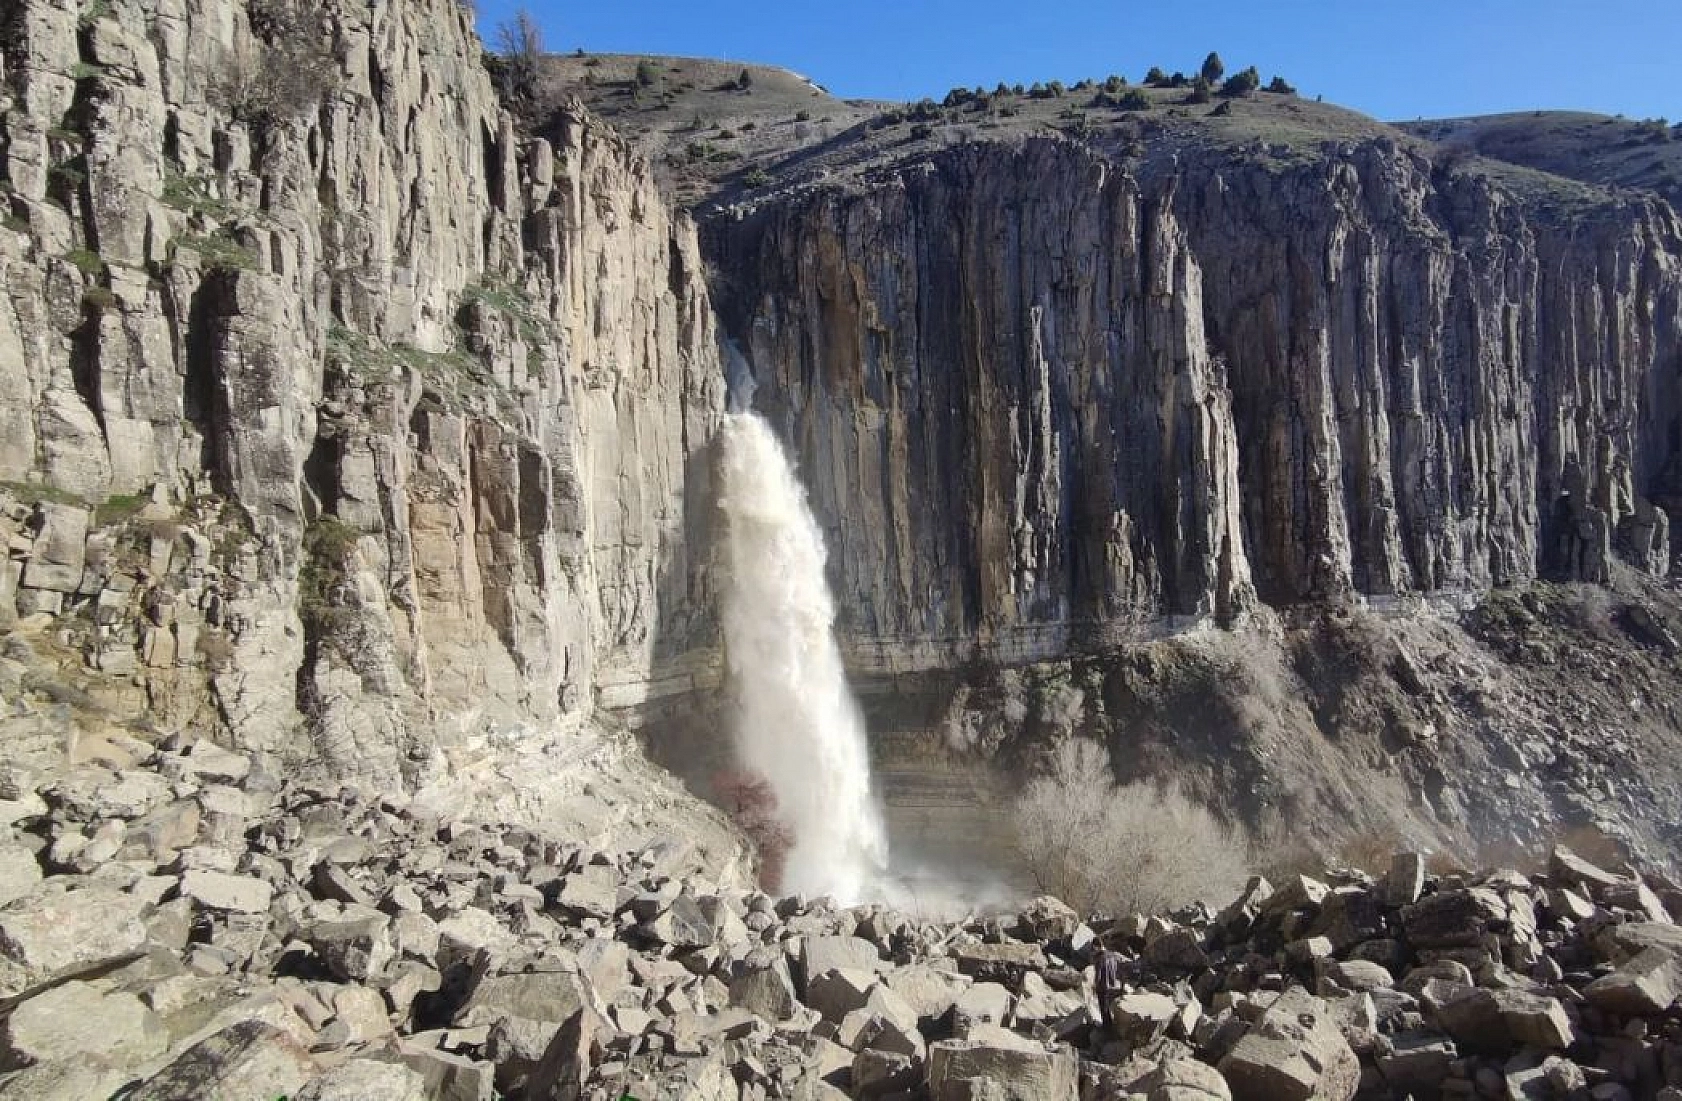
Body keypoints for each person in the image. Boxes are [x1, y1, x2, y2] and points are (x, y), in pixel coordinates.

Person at [1093, 935, 1125, 1034]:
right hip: (1113, 985)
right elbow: (1120, 970)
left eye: (1094, 947)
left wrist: (1094, 985)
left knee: (1104, 1009)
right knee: (1109, 1008)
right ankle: (1110, 1027)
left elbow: (1098, 974)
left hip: (1102, 986)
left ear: (1096, 946)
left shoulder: (1099, 958)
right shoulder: (1112, 956)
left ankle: (1106, 1029)